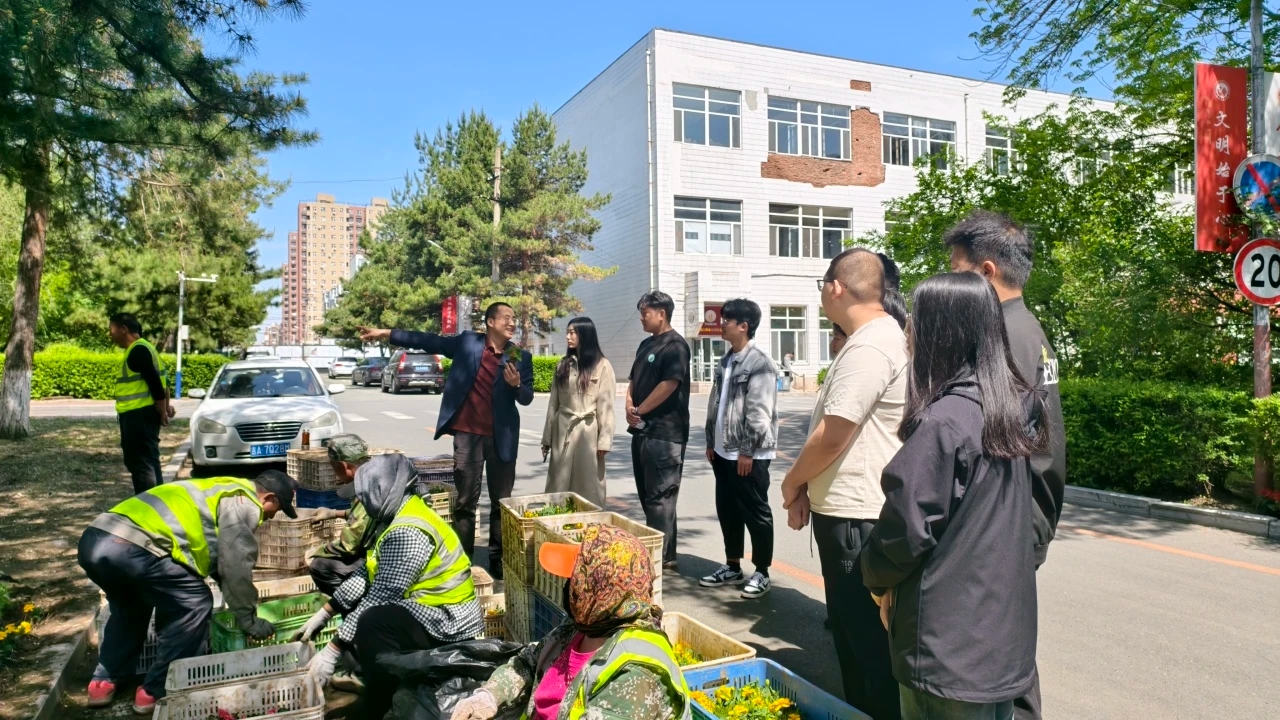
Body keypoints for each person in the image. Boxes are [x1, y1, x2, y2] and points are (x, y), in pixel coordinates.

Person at [861, 272, 1048, 720]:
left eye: (917, 322)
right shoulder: (1013, 407)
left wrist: (875, 580)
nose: (908, 333)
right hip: (1000, 640)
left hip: (946, 649)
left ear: (942, 333)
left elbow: (905, 529)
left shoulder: (945, 422)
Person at [946, 210, 1066, 720]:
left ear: (986, 271)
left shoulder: (1003, 337)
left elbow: (985, 445)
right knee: (1009, 652)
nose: (952, 282)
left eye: (957, 270)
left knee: (1000, 667)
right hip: (1026, 517)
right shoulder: (1026, 327)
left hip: (1007, 525)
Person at [780, 248, 908, 720]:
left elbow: (834, 434)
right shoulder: (873, 338)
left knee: (866, 650)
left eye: (822, 286)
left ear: (835, 287)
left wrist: (792, 483)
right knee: (857, 644)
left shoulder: (870, 346)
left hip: (858, 517)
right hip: (854, 512)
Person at [78, 471, 296, 713]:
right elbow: (235, 566)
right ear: (269, 498)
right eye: (277, 509)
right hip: (134, 548)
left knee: (131, 607)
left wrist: (230, 589)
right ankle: (155, 691)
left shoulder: (220, 487)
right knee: (195, 602)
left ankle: (102, 683)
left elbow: (219, 562)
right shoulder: (244, 503)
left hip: (95, 541)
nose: (271, 516)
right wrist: (248, 620)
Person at [359, 302, 534, 577]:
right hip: (468, 436)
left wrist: (517, 386)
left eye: (514, 319)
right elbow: (427, 340)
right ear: (490, 322)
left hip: (502, 438)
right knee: (465, 502)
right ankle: (462, 560)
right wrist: (386, 333)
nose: (512, 323)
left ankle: (498, 559)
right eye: (506, 318)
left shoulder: (518, 355)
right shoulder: (468, 343)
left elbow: (527, 398)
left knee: (502, 503)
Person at [302, 453, 482, 720]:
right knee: (364, 621)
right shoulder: (397, 515)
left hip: (450, 619)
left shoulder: (407, 531)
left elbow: (381, 595)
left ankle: (381, 705)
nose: (361, 503)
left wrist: (333, 650)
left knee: (372, 622)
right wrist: (326, 612)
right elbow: (366, 574)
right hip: (428, 609)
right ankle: (379, 691)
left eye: (364, 497)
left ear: (380, 492)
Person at [449, 524, 692, 720]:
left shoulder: (636, 675)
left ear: (598, 593)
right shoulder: (579, 628)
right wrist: (489, 695)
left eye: (575, 581)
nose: (568, 588)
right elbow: (527, 662)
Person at [699, 298, 779, 599]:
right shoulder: (726, 361)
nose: (722, 325)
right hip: (723, 452)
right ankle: (732, 565)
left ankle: (762, 572)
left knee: (756, 513)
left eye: (727, 321)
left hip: (748, 455)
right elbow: (716, 405)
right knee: (728, 511)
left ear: (743, 326)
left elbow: (759, 412)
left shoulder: (760, 363)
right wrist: (711, 442)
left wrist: (747, 451)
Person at [625, 291, 691, 572]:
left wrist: (640, 410)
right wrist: (629, 405)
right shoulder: (645, 344)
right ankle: (667, 554)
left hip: (665, 434)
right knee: (650, 496)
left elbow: (669, 384)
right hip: (642, 431)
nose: (642, 318)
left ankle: (656, 560)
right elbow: (632, 380)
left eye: (646, 313)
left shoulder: (675, 346)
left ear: (661, 314)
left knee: (660, 497)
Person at [541, 317, 616, 506]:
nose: (568, 337)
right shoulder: (562, 365)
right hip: (563, 430)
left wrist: (604, 440)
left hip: (588, 432)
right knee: (559, 481)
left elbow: (606, 405)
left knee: (588, 483)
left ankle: (590, 519)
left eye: (572, 333)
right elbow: (553, 403)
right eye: (567, 332)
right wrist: (547, 438)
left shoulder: (602, 365)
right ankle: (556, 518)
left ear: (585, 334)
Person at [108, 313, 174, 494]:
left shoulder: (137, 351)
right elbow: (165, 381)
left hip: (137, 417)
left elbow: (155, 382)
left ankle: (148, 504)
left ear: (123, 329)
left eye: (111, 329)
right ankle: (157, 502)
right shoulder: (147, 348)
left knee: (142, 465)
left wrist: (163, 410)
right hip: (142, 416)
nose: (110, 334)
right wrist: (165, 406)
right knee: (149, 462)